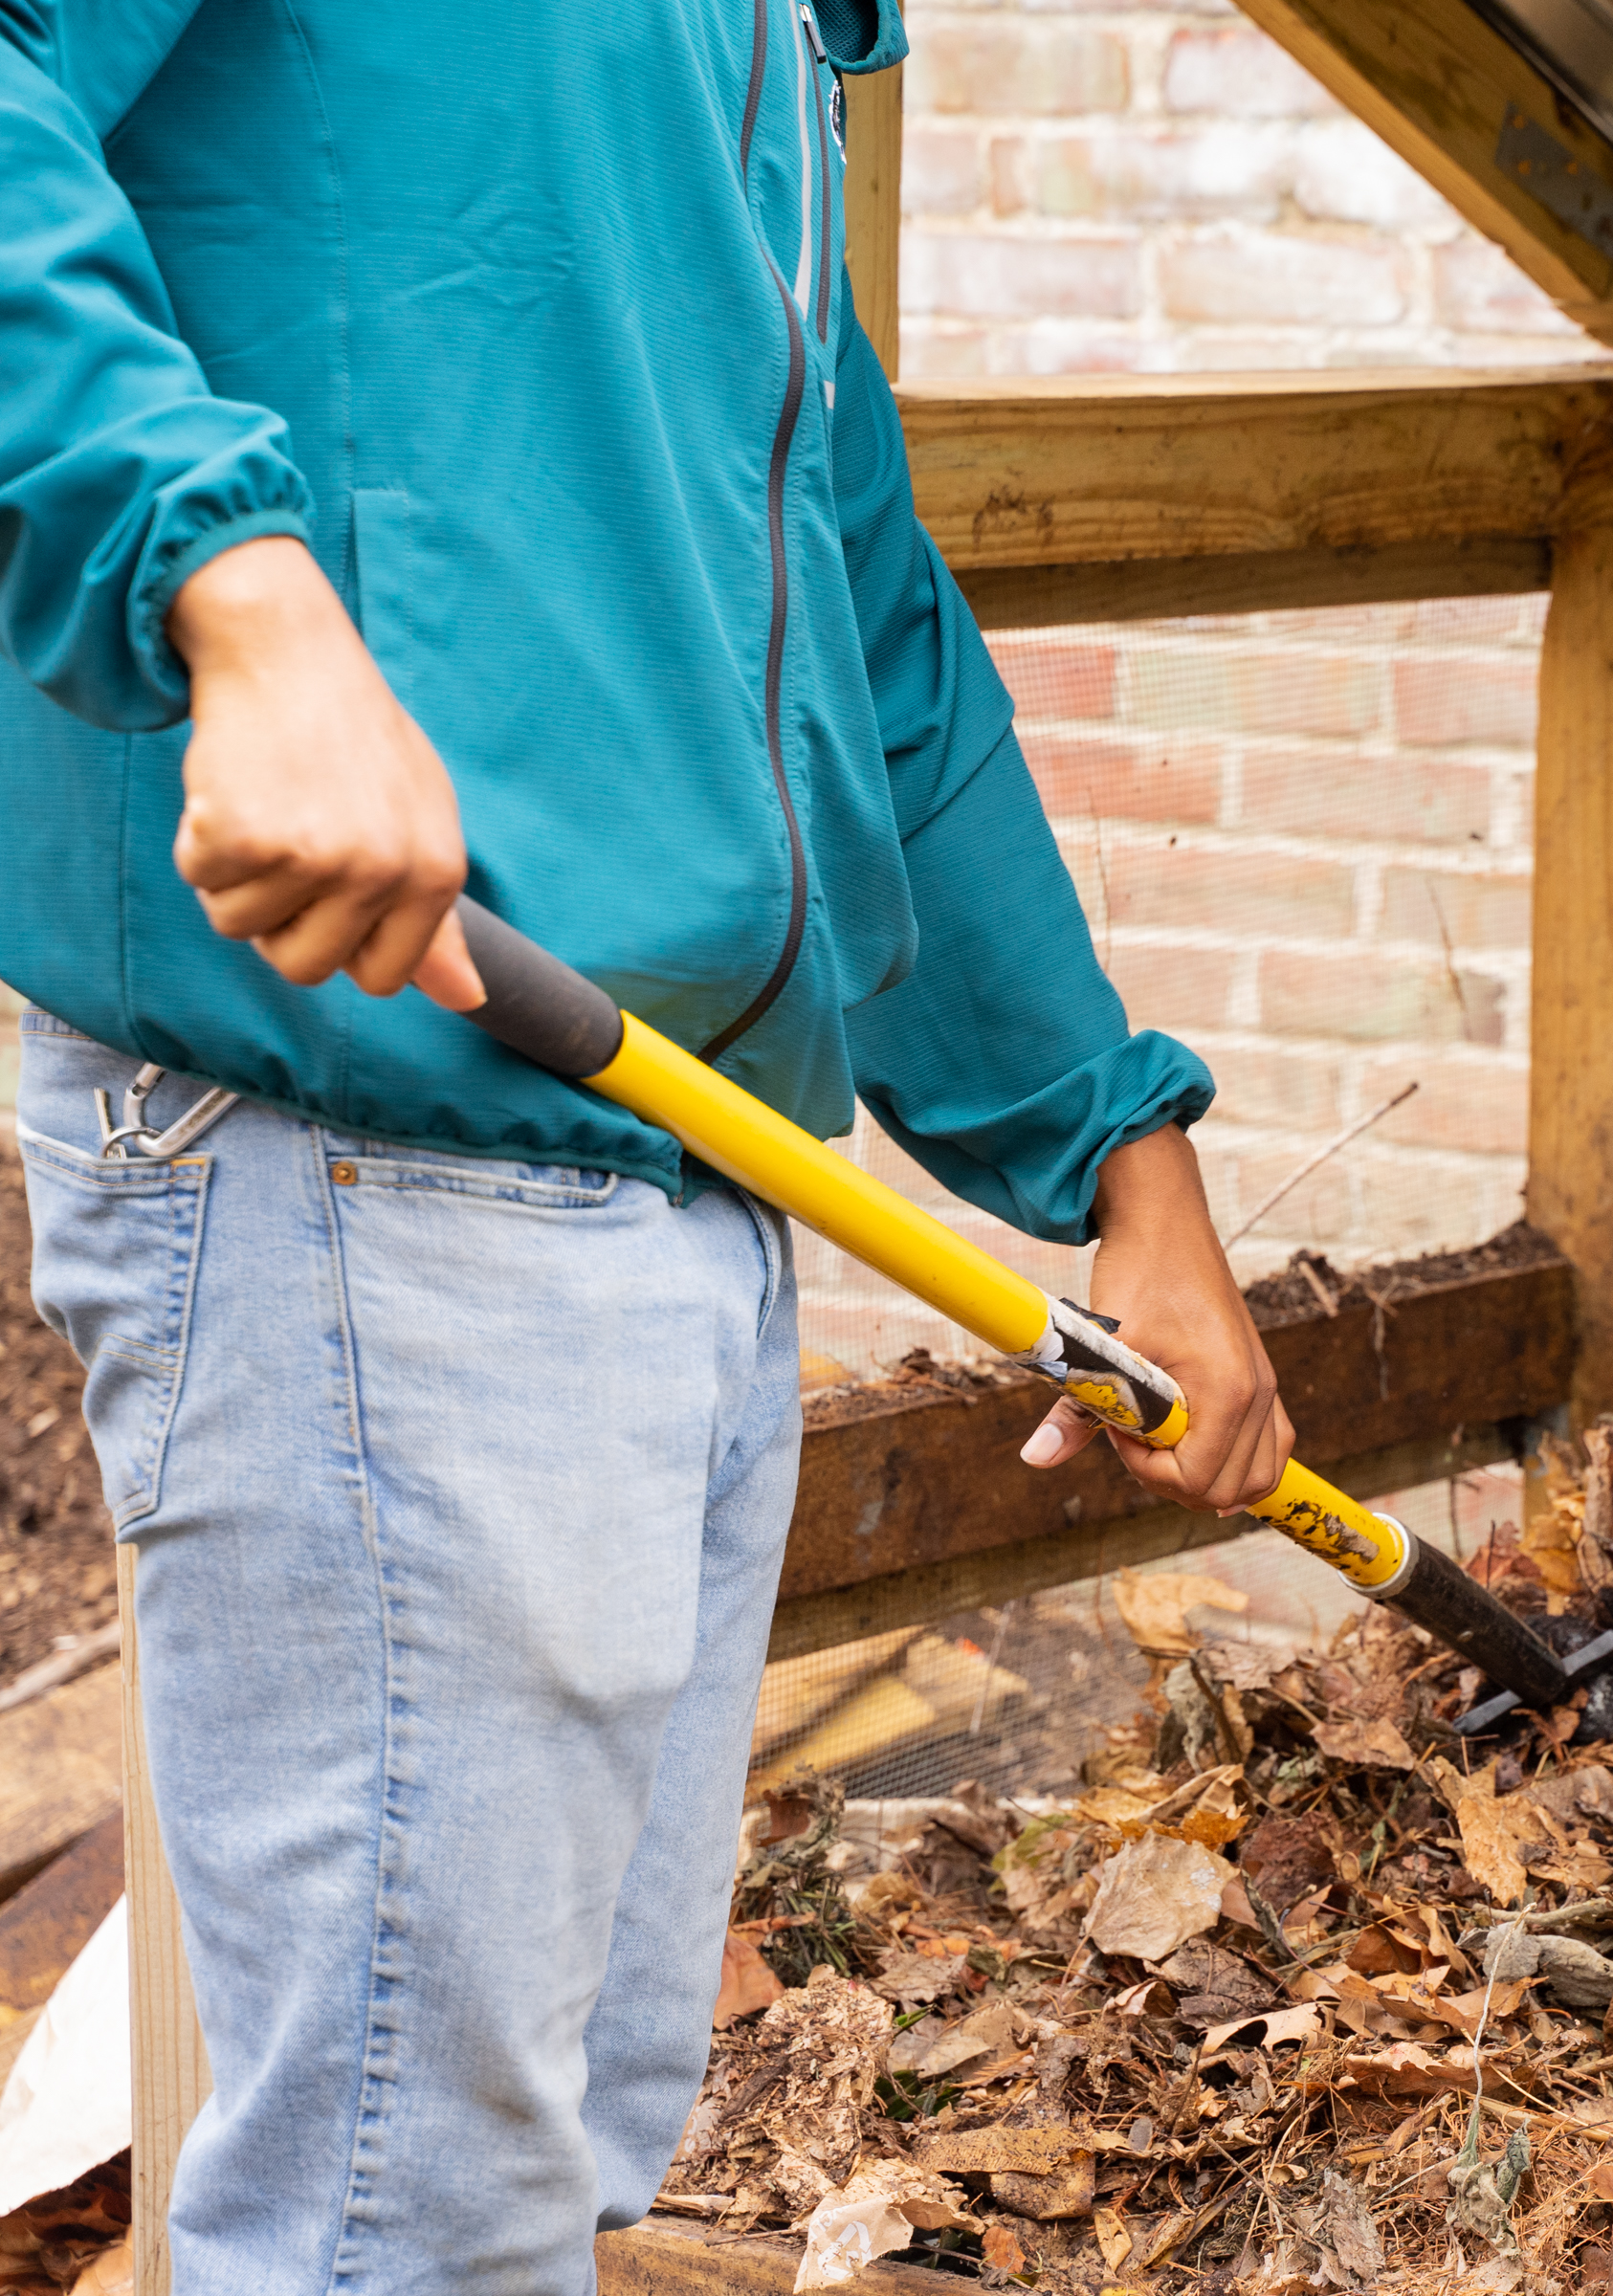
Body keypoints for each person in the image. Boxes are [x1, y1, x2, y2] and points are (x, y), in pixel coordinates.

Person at [1, 10, 1282, 2288]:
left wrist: (1115, 1147)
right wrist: (240, 592)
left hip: (681, 1168)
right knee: (402, 2212)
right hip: (376, 1137)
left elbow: (842, 574)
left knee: (550, 2158)